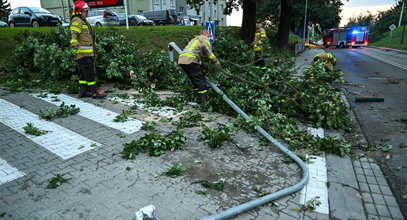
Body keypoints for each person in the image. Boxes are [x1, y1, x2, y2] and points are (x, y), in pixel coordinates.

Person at [69, 0, 106, 99]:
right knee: (90, 74)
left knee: (83, 75)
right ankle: (95, 92)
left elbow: (87, 37)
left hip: (86, 53)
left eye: (86, 11)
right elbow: (74, 35)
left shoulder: (83, 21)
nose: (87, 13)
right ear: (78, 11)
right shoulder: (77, 21)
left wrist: (95, 45)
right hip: (83, 54)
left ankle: (83, 91)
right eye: (85, 11)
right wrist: (74, 44)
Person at [178, 29, 218, 106]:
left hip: (182, 60)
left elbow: (196, 52)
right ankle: (203, 103)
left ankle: (198, 101)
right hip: (190, 60)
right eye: (208, 34)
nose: (209, 36)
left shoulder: (195, 39)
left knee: (195, 81)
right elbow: (206, 51)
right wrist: (215, 60)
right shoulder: (203, 38)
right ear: (205, 34)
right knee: (201, 82)